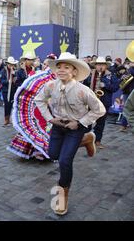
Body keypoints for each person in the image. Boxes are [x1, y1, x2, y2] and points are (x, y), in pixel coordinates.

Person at [35, 52, 105, 216]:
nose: (61, 70)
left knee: (65, 161)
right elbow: (39, 100)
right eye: (59, 67)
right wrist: (50, 119)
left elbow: (99, 110)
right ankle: (87, 140)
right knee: (53, 154)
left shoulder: (83, 90)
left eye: (66, 67)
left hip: (76, 127)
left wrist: (80, 123)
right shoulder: (51, 86)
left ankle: (62, 198)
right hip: (58, 126)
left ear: (74, 71)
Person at [83, 57, 120, 148]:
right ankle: (85, 138)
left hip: (104, 102)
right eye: (98, 64)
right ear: (95, 65)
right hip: (91, 101)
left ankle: (97, 140)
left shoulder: (111, 75)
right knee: (88, 121)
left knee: (101, 122)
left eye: (102, 65)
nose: (100, 67)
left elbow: (115, 87)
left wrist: (105, 85)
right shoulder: (90, 74)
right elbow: (84, 86)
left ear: (105, 66)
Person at [0, 56, 18, 126]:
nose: (11, 65)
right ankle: (6, 119)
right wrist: (8, 81)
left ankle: (9, 118)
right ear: (7, 64)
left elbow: (16, 81)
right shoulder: (3, 70)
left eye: (12, 64)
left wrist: (14, 76)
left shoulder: (14, 71)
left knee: (10, 105)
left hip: (12, 90)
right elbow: (1, 81)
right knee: (6, 104)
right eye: (10, 64)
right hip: (5, 91)